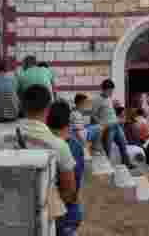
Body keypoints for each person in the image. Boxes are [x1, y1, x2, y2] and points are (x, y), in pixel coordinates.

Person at [17, 86, 77, 228]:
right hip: (44, 211)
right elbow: (70, 191)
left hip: (16, 203)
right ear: (48, 109)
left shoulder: (5, 138)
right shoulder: (59, 145)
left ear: (21, 106)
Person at [47, 99, 85, 236]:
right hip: (67, 211)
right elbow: (72, 189)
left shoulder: (42, 141)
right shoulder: (73, 145)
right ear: (68, 122)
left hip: (51, 208)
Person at [90, 79, 135, 170]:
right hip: (108, 128)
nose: (111, 92)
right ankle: (106, 167)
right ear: (104, 90)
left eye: (112, 90)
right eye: (109, 90)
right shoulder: (97, 100)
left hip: (116, 125)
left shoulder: (109, 98)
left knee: (123, 144)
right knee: (107, 149)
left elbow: (109, 113)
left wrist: (117, 113)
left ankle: (127, 163)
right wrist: (100, 126)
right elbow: (93, 115)